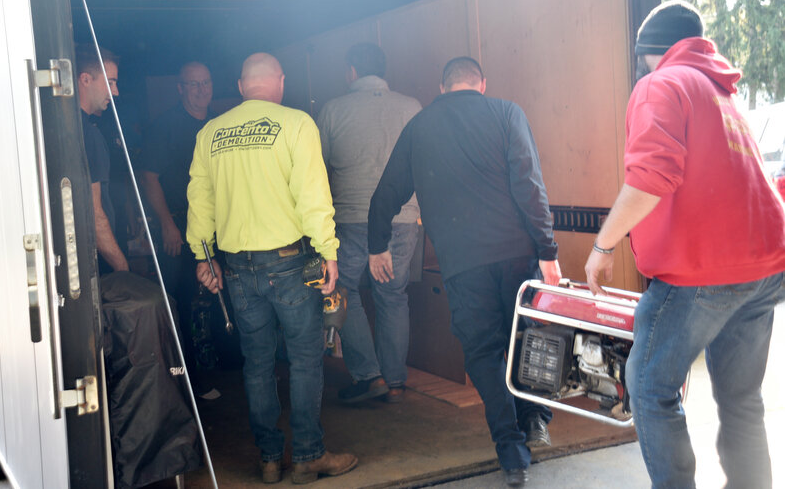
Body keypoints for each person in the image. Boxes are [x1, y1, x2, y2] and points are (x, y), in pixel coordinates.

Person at [584, 0, 785, 489]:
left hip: (703, 273)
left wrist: (603, 246)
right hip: (764, 271)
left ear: (651, 51)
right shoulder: (723, 96)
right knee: (742, 401)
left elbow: (651, 177)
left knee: (650, 387)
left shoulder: (662, 84)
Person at [368, 56, 559, 487]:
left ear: (441, 87)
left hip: (462, 263)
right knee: (530, 339)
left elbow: (386, 192)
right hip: (517, 255)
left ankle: (511, 452)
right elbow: (529, 185)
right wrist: (548, 250)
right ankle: (535, 418)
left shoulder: (419, 127)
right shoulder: (506, 112)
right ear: (482, 83)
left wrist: (377, 244)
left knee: (483, 353)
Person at [187, 52, 358, 484]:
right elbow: (312, 195)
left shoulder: (210, 133)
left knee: (257, 364)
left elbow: (199, 201)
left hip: (238, 270)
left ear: (242, 86)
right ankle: (307, 457)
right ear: (279, 83)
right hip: (289, 264)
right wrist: (328, 250)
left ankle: (268, 461)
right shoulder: (297, 124)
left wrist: (203, 258)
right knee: (303, 362)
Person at [316, 43, 422, 404]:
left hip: (352, 217)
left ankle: (369, 375)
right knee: (393, 295)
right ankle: (395, 382)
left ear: (351, 72)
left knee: (341, 290)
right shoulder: (411, 107)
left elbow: (319, 168)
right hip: (403, 217)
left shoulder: (332, 110)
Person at [139, 62, 221, 399]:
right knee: (181, 302)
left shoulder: (218, 125)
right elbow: (149, 178)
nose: (202, 90)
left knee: (212, 297)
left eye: (206, 82)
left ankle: (216, 367)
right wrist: (167, 224)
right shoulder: (165, 127)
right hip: (177, 224)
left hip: (215, 226)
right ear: (180, 89)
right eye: (194, 84)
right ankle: (186, 380)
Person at [76, 44, 128, 274]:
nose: (115, 92)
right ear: (85, 79)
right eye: (111, 82)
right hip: (97, 261)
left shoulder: (75, 127)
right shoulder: (87, 134)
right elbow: (94, 212)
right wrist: (122, 267)